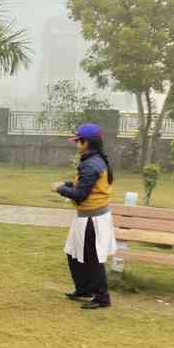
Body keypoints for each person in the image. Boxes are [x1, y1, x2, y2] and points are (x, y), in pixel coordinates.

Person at [52, 123, 117, 309]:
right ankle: (84, 289)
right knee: (73, 252)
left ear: (86, 142)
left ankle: (102, 298)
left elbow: (81, 194)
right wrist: (65, 183)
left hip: (93, 219)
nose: (76, 144)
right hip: (86, 216)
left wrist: (60, 189)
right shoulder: (92, 160)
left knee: (93, 258)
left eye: (78, 141)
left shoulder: (91, 164)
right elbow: (83, 184)